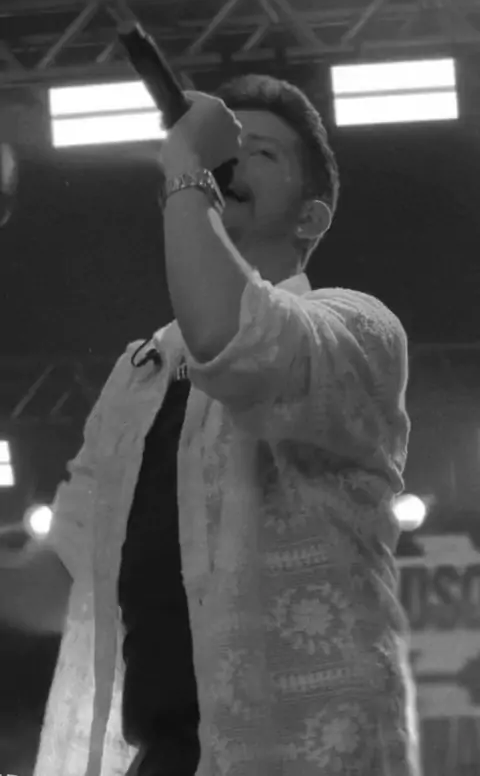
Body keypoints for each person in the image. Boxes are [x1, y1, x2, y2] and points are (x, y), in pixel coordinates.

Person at [7, 74, 419, 776]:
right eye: (225, 146)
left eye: (261, 152)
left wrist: (187, 174)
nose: (231, 160)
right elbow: (66, 577)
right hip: (164, 755)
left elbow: (239, 341)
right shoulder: (138, 374)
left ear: (311, 218)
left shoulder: (357, 329)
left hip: (306, 757)